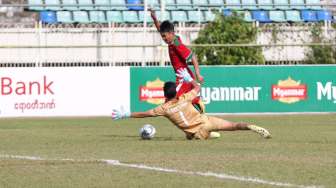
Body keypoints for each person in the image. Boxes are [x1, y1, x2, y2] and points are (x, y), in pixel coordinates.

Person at [112, 69, 271, 140]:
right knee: (234, 125)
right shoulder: (185, 98)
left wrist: (126, 114)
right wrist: (189, 79)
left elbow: (144, 114)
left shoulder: (163, 109)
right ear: (175, 92)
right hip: (207, 121)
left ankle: (210, 134)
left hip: (197, 133)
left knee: (190, 136)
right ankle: (252, 127)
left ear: (164, 95)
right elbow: (198, 87)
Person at [149, 9, 205, 113]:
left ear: (170, 33)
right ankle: (197, 104)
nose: (164, 39)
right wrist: (154, 18)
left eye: (165, 36)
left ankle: (198, 106)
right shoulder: (173, 39)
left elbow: (193, 56)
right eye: (162, 36)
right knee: (179, 102)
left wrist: (198, 74)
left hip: (184, 77)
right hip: (183, 76)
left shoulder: (176, 45)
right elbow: (160, 29)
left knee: (170, 101)